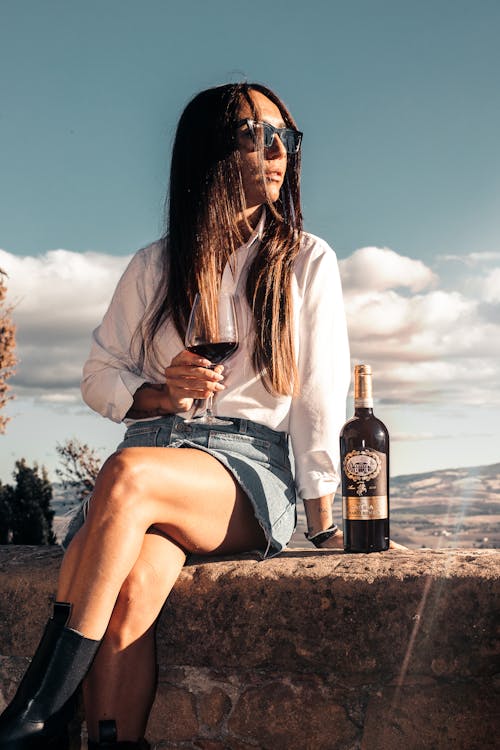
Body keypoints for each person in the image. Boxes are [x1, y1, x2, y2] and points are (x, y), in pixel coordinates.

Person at [0, 82, 352, 749]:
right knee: (132, 589)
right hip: (154, 457)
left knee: (128, 474)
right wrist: (160, 393)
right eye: (255, 134)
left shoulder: (306, 259)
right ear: (210, 152)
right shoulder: (154, 266)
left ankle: (39, 707)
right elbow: (98, 374)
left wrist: (324, 515)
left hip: (244, 471)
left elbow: (318, 396)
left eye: (284, 136)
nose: (277, 150)